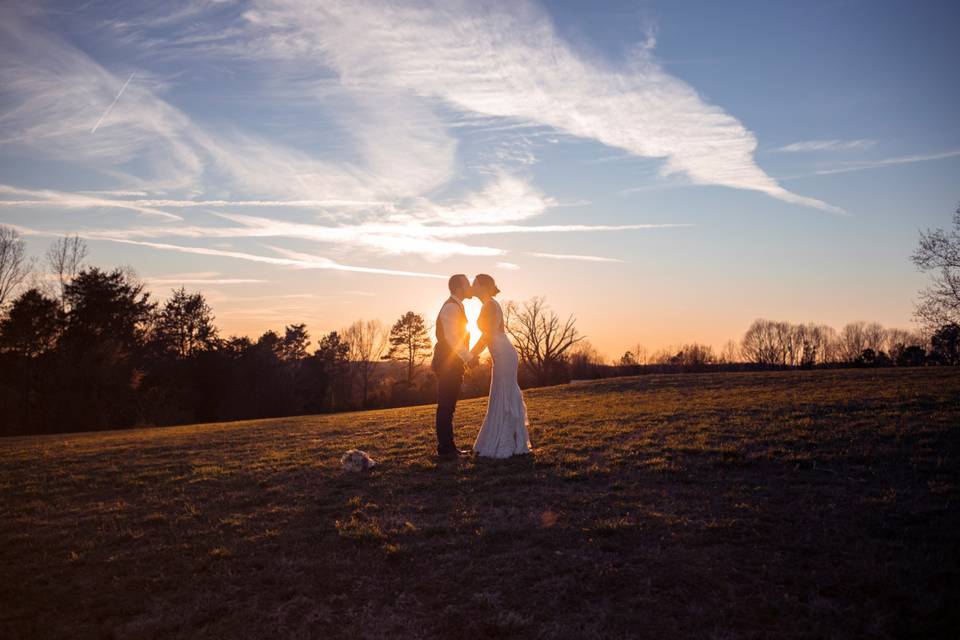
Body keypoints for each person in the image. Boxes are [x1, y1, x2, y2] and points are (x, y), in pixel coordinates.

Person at [469, 274, 532, 458]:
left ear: (483, 286)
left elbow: (487, 335)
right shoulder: (487, 305)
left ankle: (505, 444)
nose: (472, 286)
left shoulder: (490, 305)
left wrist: (472, 354)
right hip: (500, 354)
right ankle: (506, 440)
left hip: (504, 354)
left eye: (475, 283)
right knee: (500, 395)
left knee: (504, 395)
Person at [431, 274, 479, 458]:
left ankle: (447, 447)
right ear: (459, 287)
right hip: (447, 362)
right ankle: (446, 449)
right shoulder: (451, 307)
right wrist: (469, 357)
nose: (470, 287)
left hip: (450, 362)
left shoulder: (457, 305)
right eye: (467, 283)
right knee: (445, 406)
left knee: (448, 406)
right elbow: (452, 338)